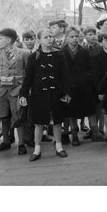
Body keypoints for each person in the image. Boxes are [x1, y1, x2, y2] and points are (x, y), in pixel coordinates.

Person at [19, 28, 71, 162]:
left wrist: (67, 92)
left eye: (51, 37)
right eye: (46, 37)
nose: (50, 39)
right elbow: (28, 78)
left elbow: (65, 76)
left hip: (56, 94)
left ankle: (59, 147)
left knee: (57, 121)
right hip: (39, 95)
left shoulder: (59, 55)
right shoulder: (34, 56)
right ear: (39, 40)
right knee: (39, 122)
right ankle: (37, 149)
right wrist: (23, 94)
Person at [0, 28, 29, 158]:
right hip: (0, 91)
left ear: (9, 40)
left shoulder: (24, 54)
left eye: (0, 38)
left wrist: (22, 88)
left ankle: (21, 144)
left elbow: (29, 73)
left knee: (17, 117)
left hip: (16, 91)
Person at [62, 26, 103, 145]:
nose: (75, 39)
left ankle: (95, 132)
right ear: (67, 38)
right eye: (72, 37)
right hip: (69, 86)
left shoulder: (84, 52)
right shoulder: (62, 52)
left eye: (76, 36)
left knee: (90, 109)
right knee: (71, 111)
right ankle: (74, 134)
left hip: (83, 86)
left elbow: (89, 68)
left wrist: (86, 78)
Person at [92, 32, 107, 143]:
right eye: (106, 40)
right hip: (105, 89)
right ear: (101, 43)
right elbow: (96, 77)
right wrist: (100, 91)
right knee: (106, 112)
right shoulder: (97, 57)